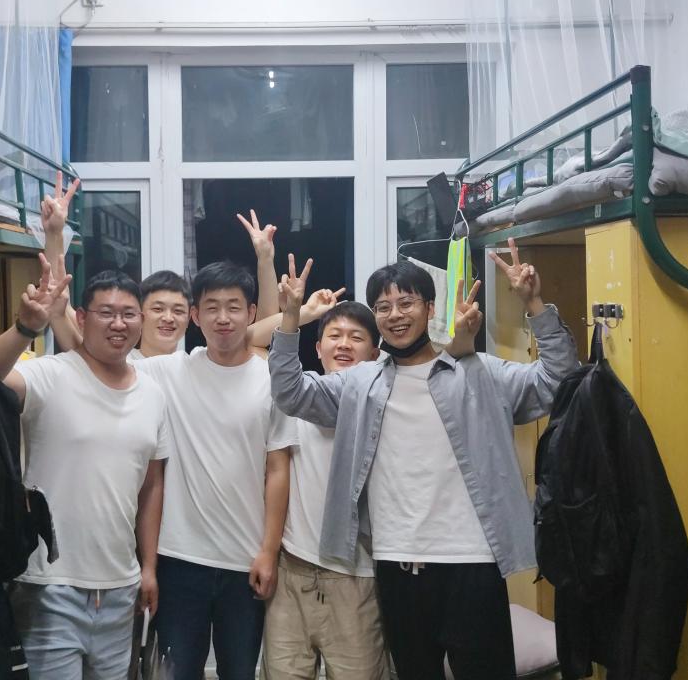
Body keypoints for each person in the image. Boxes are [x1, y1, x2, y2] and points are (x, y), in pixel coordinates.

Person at [268, 244, 580, 680]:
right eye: (383, 307)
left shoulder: (480, 373)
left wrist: (534, 303)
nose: (394, 315)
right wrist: (289, 318)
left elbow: (560, 381)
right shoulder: (359, 384)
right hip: (396, 566)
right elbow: (290, 393)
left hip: (473, 563)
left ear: (430, 308)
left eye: (406, 302)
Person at [0, 257, 169, 679]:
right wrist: (24, 328)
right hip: (50, 586)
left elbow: (152, 485)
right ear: (81, 317)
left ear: (141, 321)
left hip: (121, 587)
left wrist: (148, 567)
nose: (118, 324)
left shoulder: (153, 393)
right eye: (106, 313)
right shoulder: (50, 375)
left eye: (129, 314)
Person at [136, 261, 298, 680]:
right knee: (177, 672)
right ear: (195, 316)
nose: (223, 317)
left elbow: (278, 469)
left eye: (233, 307)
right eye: (211, 307)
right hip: (179, 560)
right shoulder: (168, 372)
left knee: (240, 672)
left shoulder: (272, 380)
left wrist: (268, 551)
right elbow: (96, 354)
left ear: (251, 312)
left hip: (245, 562)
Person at [263, 300, 388, 680]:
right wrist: (293, 314)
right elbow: (248, 341)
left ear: (375, 354)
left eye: (356, 337)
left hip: (357, 579)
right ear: (318, 348)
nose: (344, 344)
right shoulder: (294, 399)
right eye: (334, 336)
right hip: (291, 573)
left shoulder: (386, 407)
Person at [38, 177, 281, 358]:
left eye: (178, 310)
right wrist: (54, 233)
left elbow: (262, 333)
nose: (168, 318)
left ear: (191, 317)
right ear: (139, 314)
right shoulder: (115, 361)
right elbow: (58, 302)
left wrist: (265, 260)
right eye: (157, 308)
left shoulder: (192, 365)